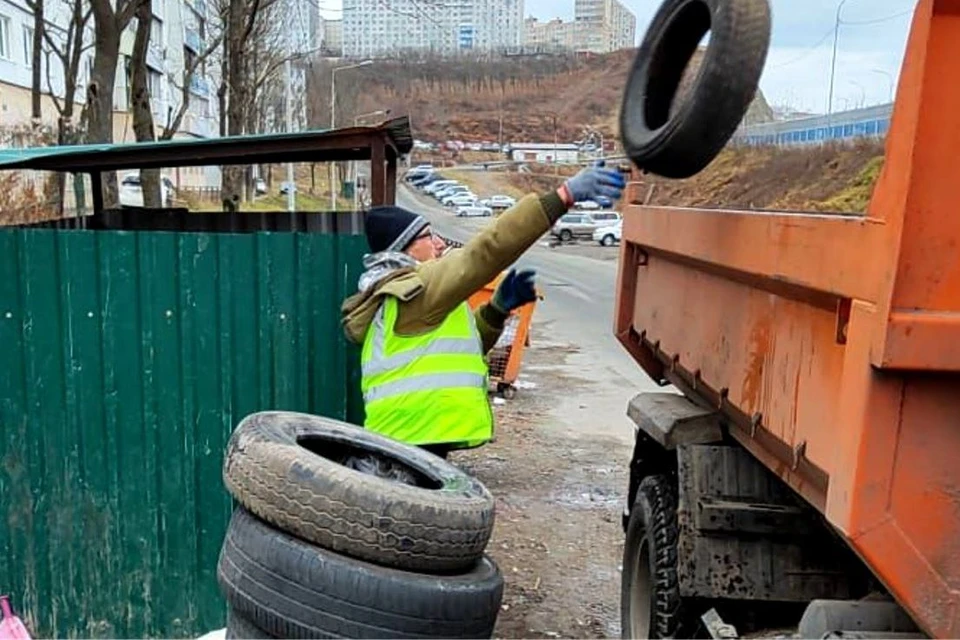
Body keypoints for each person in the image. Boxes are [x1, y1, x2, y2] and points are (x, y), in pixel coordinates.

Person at [341, 162, 626, 458]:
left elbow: (456, 351)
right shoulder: (415, 288)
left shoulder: (406, 295)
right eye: (427, 236)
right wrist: (563, 196)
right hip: (411, 440)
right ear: (403, 250)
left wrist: (496, 310)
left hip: (409, 436)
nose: (439, 243)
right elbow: (485, 251)